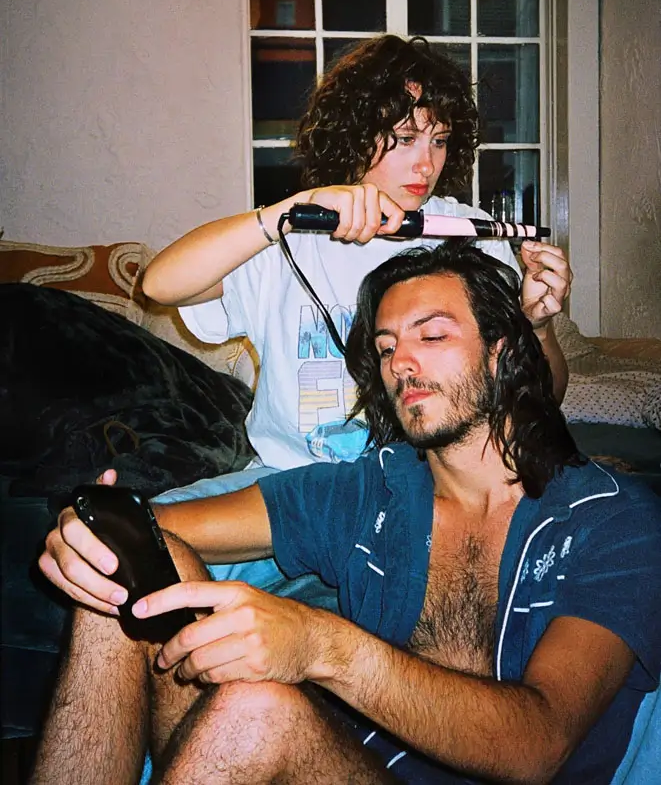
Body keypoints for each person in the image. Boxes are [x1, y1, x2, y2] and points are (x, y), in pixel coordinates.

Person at [33, 245, 661, 785]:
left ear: (502, 353)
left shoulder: (610, 520)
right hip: (349, 768)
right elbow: (163, 527)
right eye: (386, 348)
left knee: (258, 712)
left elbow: (539, 745)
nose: (401, 364)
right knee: (118, 563)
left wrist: (321, 646)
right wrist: (89, 531)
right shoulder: (372, 491)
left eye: (432, 335)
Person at [142, 35, 571, 477]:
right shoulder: (289, 239)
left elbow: (543, 399)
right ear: (355, 135)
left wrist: (538, 328)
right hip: (288, 483)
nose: (427, 165)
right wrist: (290, 212)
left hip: (423, 488)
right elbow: (159, 284)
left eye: (439, 141)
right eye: (405, 138)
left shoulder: (469, 236)